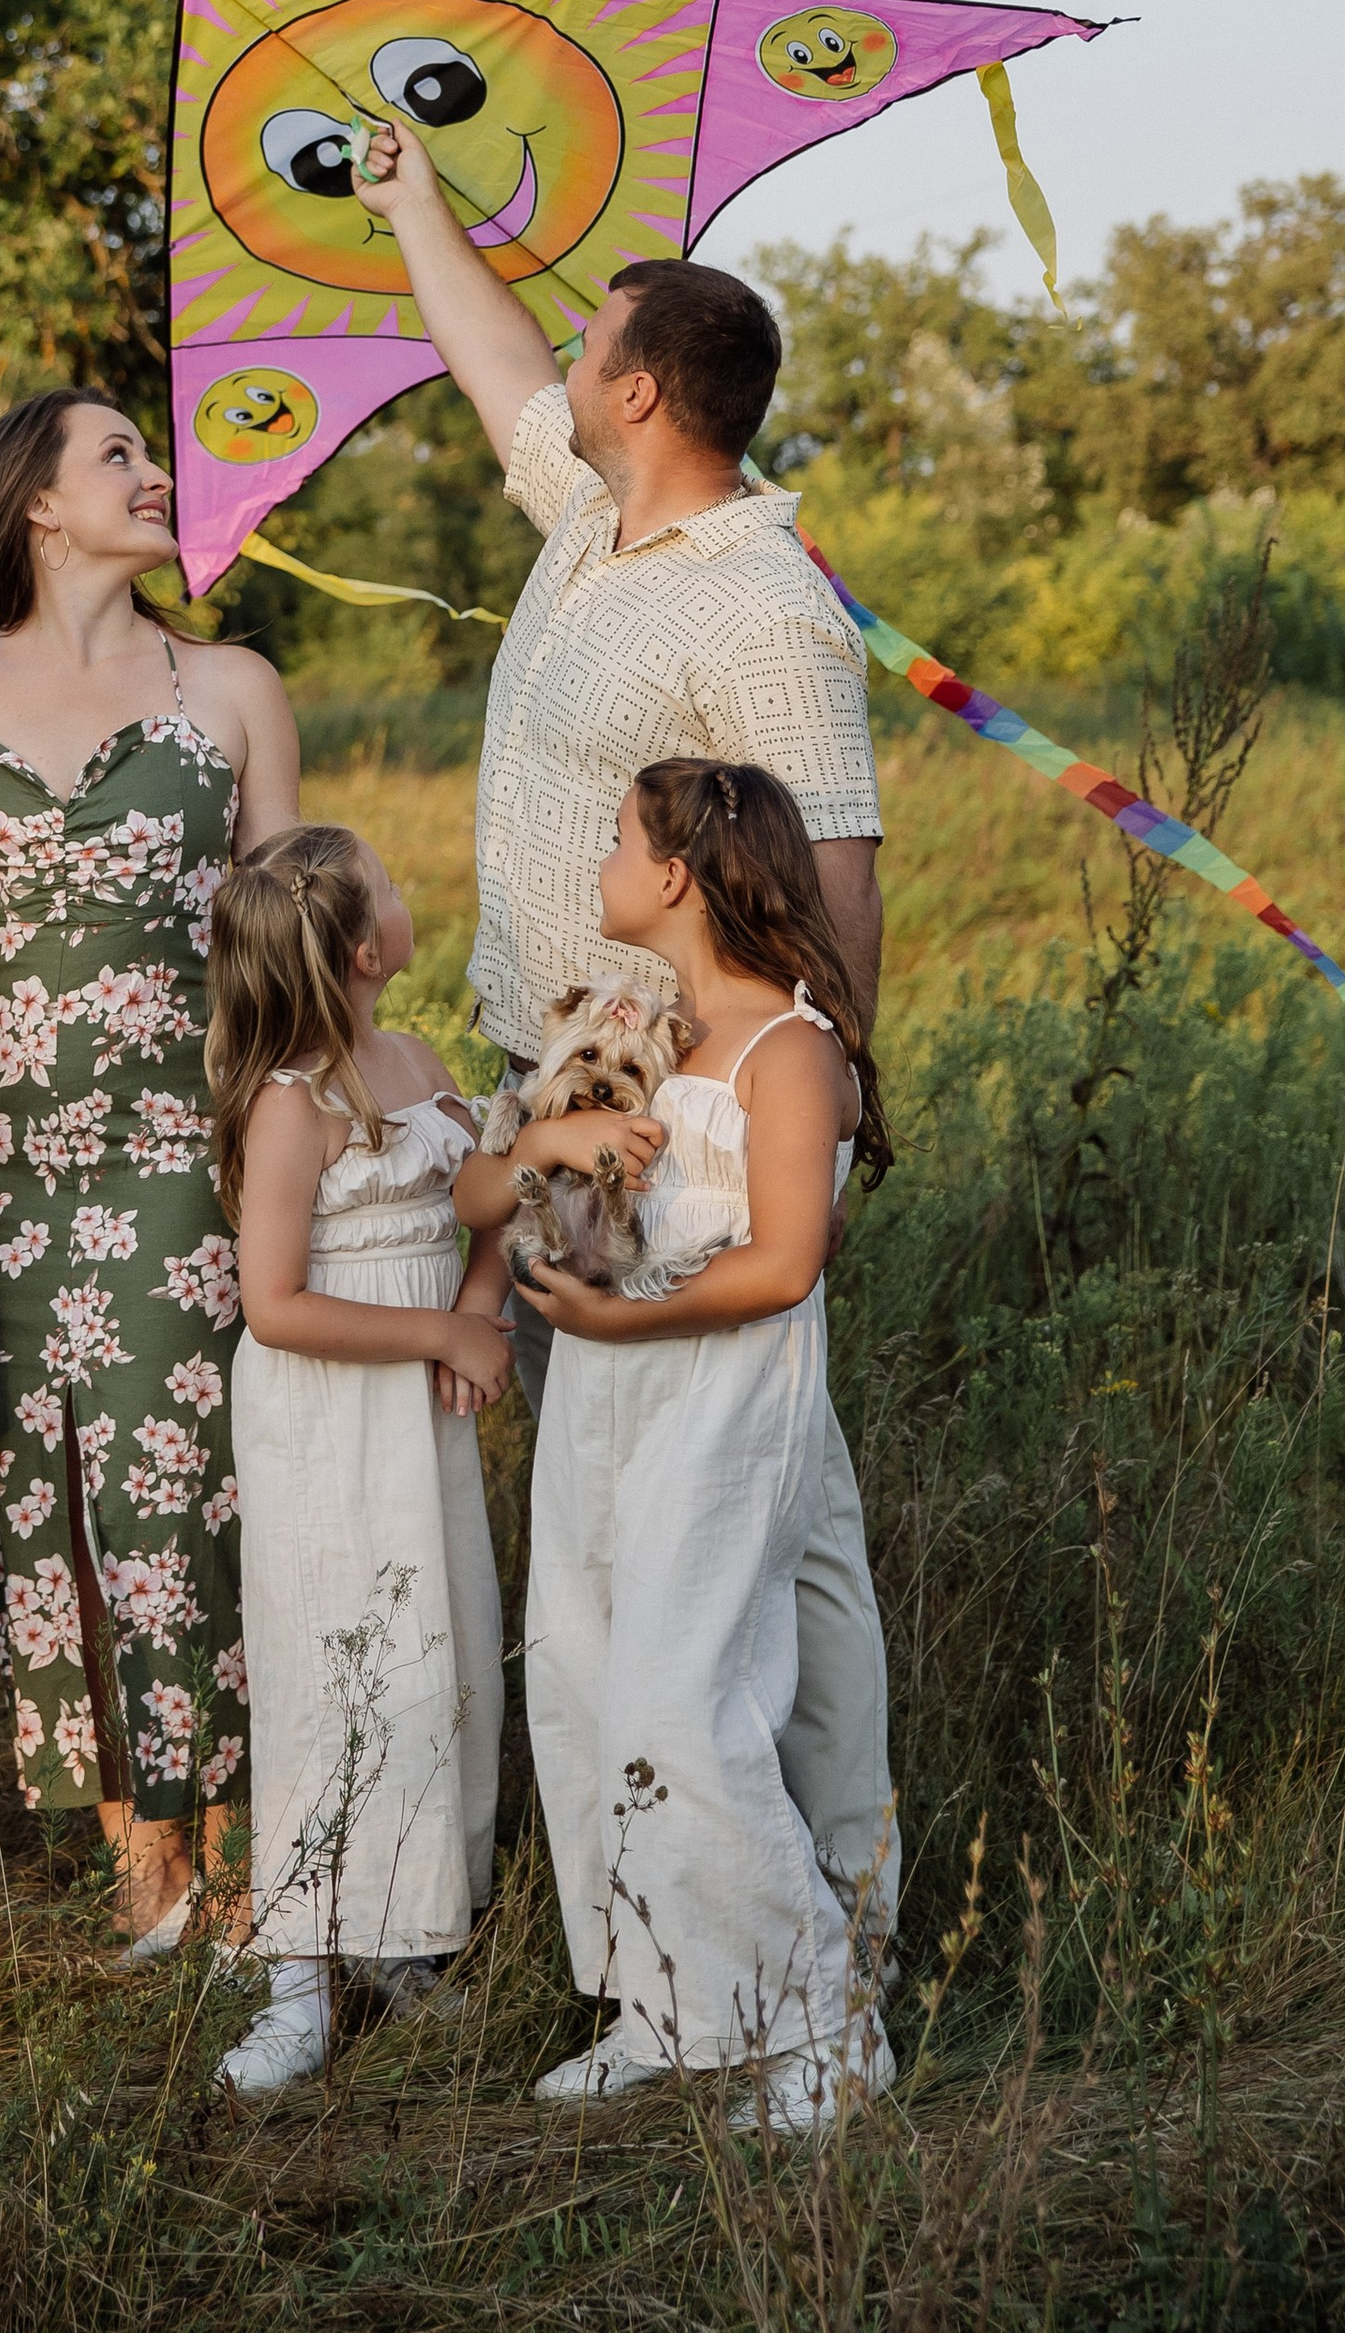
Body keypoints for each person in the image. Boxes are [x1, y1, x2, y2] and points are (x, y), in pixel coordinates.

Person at [356, 116, 899, 1970]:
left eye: (594, 343)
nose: (563, 364)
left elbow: (835, 868)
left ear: (650, 389)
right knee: (636, 1520)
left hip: (696, 1122)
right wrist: (412, 202)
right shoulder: (596, 520)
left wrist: (809, 1124)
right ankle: (660, 1916)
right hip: (559, 1087)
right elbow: (497, 368)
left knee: (765, 1519)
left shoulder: (761, 600)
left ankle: (835, 1910)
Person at [0, 392, 302, 1956]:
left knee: (188, 1487)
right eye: (119, 456)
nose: (157, 476)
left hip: (185, 1150)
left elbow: (299, 934)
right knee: (48, 1495)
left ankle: (248, 1850)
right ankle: (141, 1858)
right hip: (2, 1161)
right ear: (39, 508)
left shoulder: (234, 684)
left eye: (156, 453)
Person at [454, 758, 897, 2130]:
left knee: (681, 1703)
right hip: (605, 1407)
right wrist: (565, 1174)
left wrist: (610, 1315)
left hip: (714, 1407)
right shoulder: (649, 1032)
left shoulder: (789, 1048)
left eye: (615, 838)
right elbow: (511, 1187)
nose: (598, 857)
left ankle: (821, 2027)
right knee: (587, 1690)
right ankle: (667, 2005)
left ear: (677, 874)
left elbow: (782, 1265)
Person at [206, 823, 513, 2095]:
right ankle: (297, 1973)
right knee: (330, 1666)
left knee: (432, 1659)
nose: (406, 892)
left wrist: (482, 1303)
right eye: (388, 885)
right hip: (326, 1423)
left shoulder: (417, 1059)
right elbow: (274, 1303)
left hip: (419, 1422)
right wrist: (436, 1325)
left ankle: (403, 1934)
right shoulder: (291, 1105)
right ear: (355, 946)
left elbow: (488, 1200)